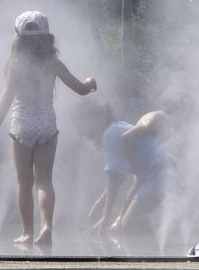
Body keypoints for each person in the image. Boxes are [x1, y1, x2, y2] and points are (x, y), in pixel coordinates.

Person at [0, 11, 96, 246]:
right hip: (46, 120)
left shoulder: (14, 64)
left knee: (24, 182)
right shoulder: (53, 63)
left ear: (19, 38)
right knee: (44, 180)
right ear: (47, 38)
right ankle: (46, 228)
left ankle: (27, 232)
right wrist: (90, 83)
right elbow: (80, 88)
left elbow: (6, 97)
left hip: (22, 121)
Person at [71, 101, 170, 237]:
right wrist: (99, 205)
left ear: (97, 118)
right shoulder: (116, 128)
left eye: (78, 123)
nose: (78, 131)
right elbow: (120, 179)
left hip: (159, 172)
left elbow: (114, 181)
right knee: (122, 226)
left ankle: (148, 252)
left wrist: (105, 217)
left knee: (125, 227)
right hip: (161, 171)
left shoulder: (110, 134)